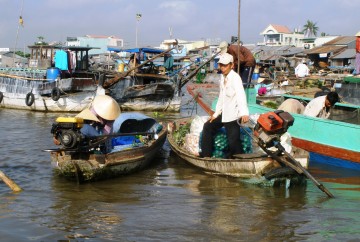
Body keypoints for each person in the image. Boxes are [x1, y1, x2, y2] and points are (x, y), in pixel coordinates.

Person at [200, 53, 250, 158]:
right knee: (207, 126)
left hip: (233, 115)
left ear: (232, 65)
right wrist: (216, 113)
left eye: (225, 65)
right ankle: (206, 156)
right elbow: (221, 97)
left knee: (233, 142)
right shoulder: (223, 78)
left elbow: (241, 95)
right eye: (221, 65)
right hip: (224, 113)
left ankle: (240, 161)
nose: (222, 68)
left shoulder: (235, 78)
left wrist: (244, 113)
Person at [53, 95, 121, 152]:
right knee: (84, 132)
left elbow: (106, 130)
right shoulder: (95, 110)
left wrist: (102, 138)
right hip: (93, 125)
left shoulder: (111, 116)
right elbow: (85, 117)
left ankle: (105, 151)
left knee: (105, 142)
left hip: (102, 130)